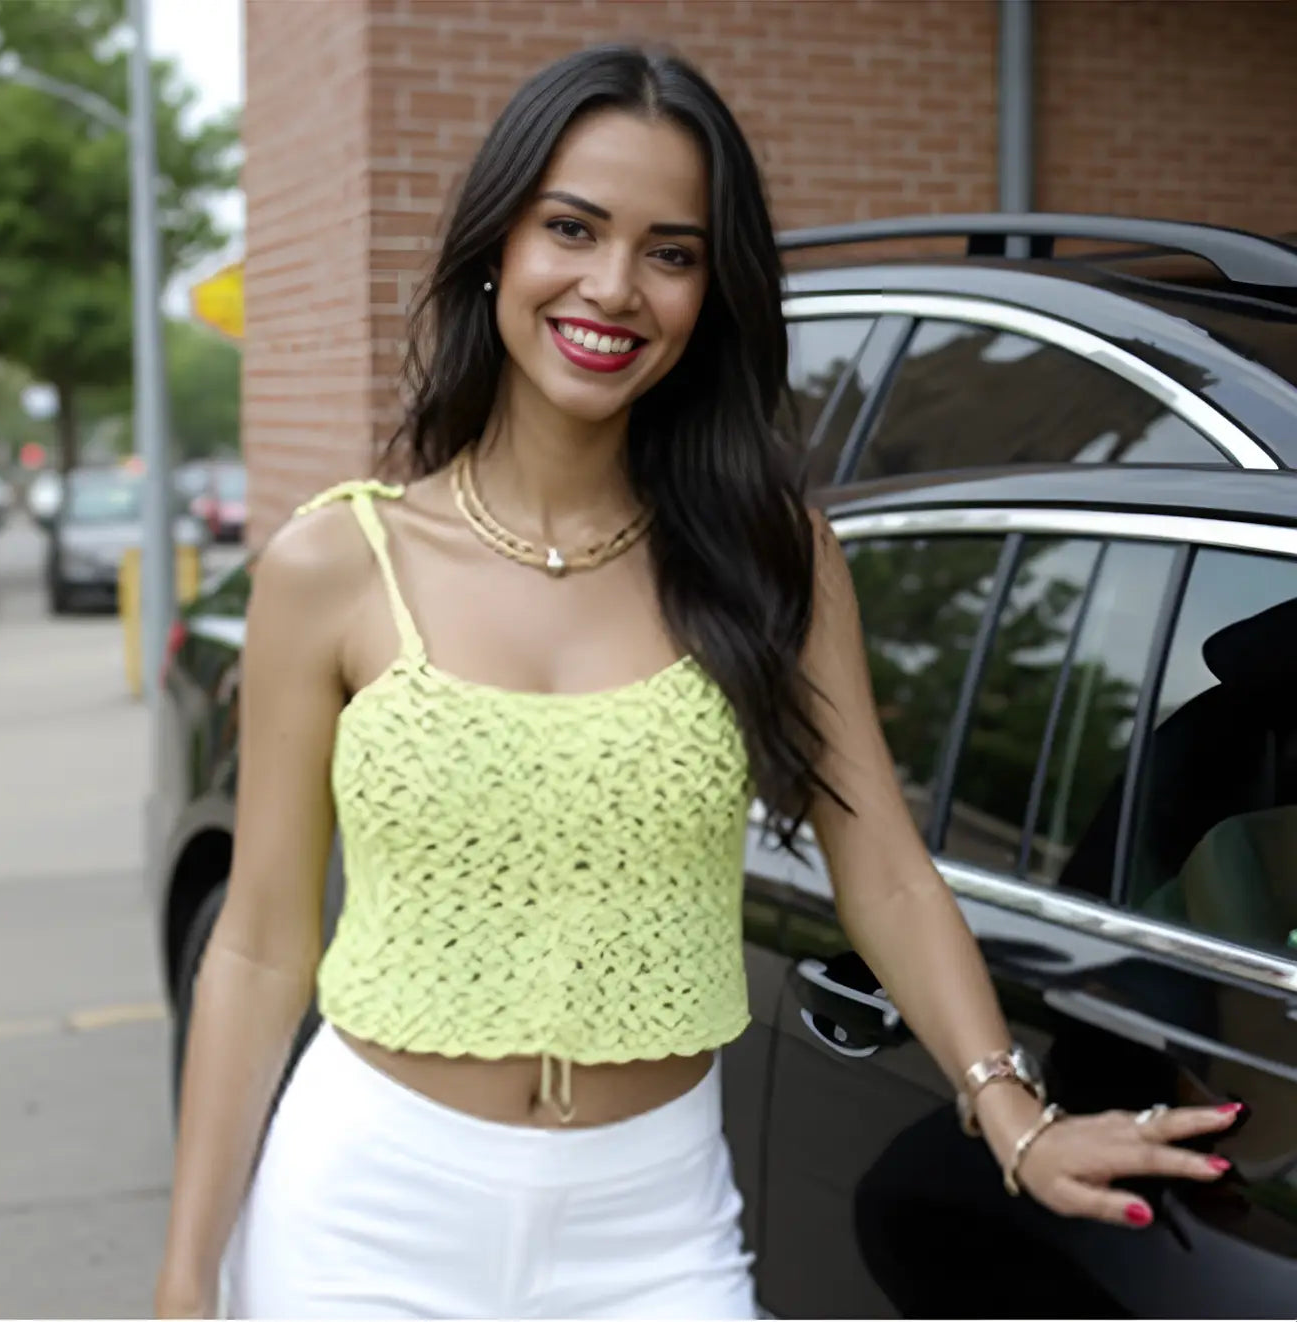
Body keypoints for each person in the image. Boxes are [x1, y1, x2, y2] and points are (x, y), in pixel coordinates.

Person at [153, 44, 1241, 1321]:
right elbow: (261, 945)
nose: (612, 287)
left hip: (650, 1223)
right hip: (365, 1208)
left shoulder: (769, 556)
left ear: (710, 292)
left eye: (670, 252)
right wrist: (187, 1277)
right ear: (498, 241)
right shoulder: (337, 561)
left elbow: (882, 864)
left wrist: (1012, 1112)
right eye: (573, 227)